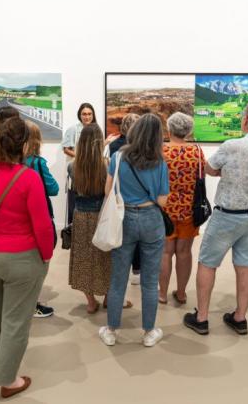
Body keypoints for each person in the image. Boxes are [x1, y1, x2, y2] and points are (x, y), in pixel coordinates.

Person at [0, 117, 53, 399]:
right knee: (16, 319)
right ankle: (8, 379)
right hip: (23, 257)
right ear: (25, 145)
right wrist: (46, 255)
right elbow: (41, 224)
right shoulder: (29, 178)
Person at [184, 99, 248, 336]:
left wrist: (226, 171)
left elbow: (210, 169)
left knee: (207, 263)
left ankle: (202, 318)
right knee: (245, 265)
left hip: (227, 216)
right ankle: (239, 318)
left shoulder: (232, 145)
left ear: (245, 119)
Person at [100, 114, 169, 348]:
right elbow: (163, 201)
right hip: (151, 218)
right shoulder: (160, 162)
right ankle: (149, 331)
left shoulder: (118, 156)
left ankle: (111, 330)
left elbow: (108, 190)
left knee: (118, 278)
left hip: (123, 217)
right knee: (150, 281)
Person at [68, 124, 131, 314]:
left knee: (84, 258)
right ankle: (108, 298)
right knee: (107, 257)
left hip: (80, 216)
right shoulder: (107, 164)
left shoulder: (73, 166)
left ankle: (90, 302)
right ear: (98, 143)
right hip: (102, 216)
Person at [158, 112, 204, 305]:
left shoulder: (161, 151)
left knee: (165, 252)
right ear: (188, 130)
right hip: (189, 210)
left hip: (165, 210)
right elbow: (203, 177)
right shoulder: (197, 151)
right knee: (184, 252)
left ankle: (162, 294)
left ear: (169, 129)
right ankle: (182, 293)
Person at [24, 120, 57, 317]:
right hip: (40, 213)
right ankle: (33, 303)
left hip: (21, 217)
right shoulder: (37, 162)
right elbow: (53, 189)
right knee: (40, 260)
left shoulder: (12, 161)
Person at [106, 113, 143, 286]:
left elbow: (111, 179)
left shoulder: (115, 146)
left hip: (120, 199)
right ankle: (137, 270)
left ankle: (122, 273)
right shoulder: (146, 149)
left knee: (122, 239)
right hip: (142, 202)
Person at [62, 103, 96, 226]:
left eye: (89, 114)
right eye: (84, 114)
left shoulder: (96, 129)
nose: (87, 117)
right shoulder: (73, 129)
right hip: (76, 171)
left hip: (92, 174)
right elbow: (66, 149)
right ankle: (72, 232)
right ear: (79, 115)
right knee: (74, 204)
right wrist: (82, 157)